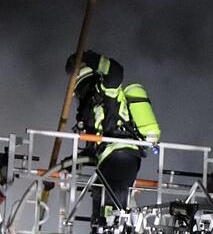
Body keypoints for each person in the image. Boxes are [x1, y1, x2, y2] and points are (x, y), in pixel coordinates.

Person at [64, 50, 158, 217]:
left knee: (109, 206)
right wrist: (65, 167)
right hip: (110, 158)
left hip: (121, 153)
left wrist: (88, 57)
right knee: (101, 200)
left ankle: (118, 226)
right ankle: (118, 225)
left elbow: (115, 73)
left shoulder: (105, 93)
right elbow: (90, 153)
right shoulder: (89, 113)